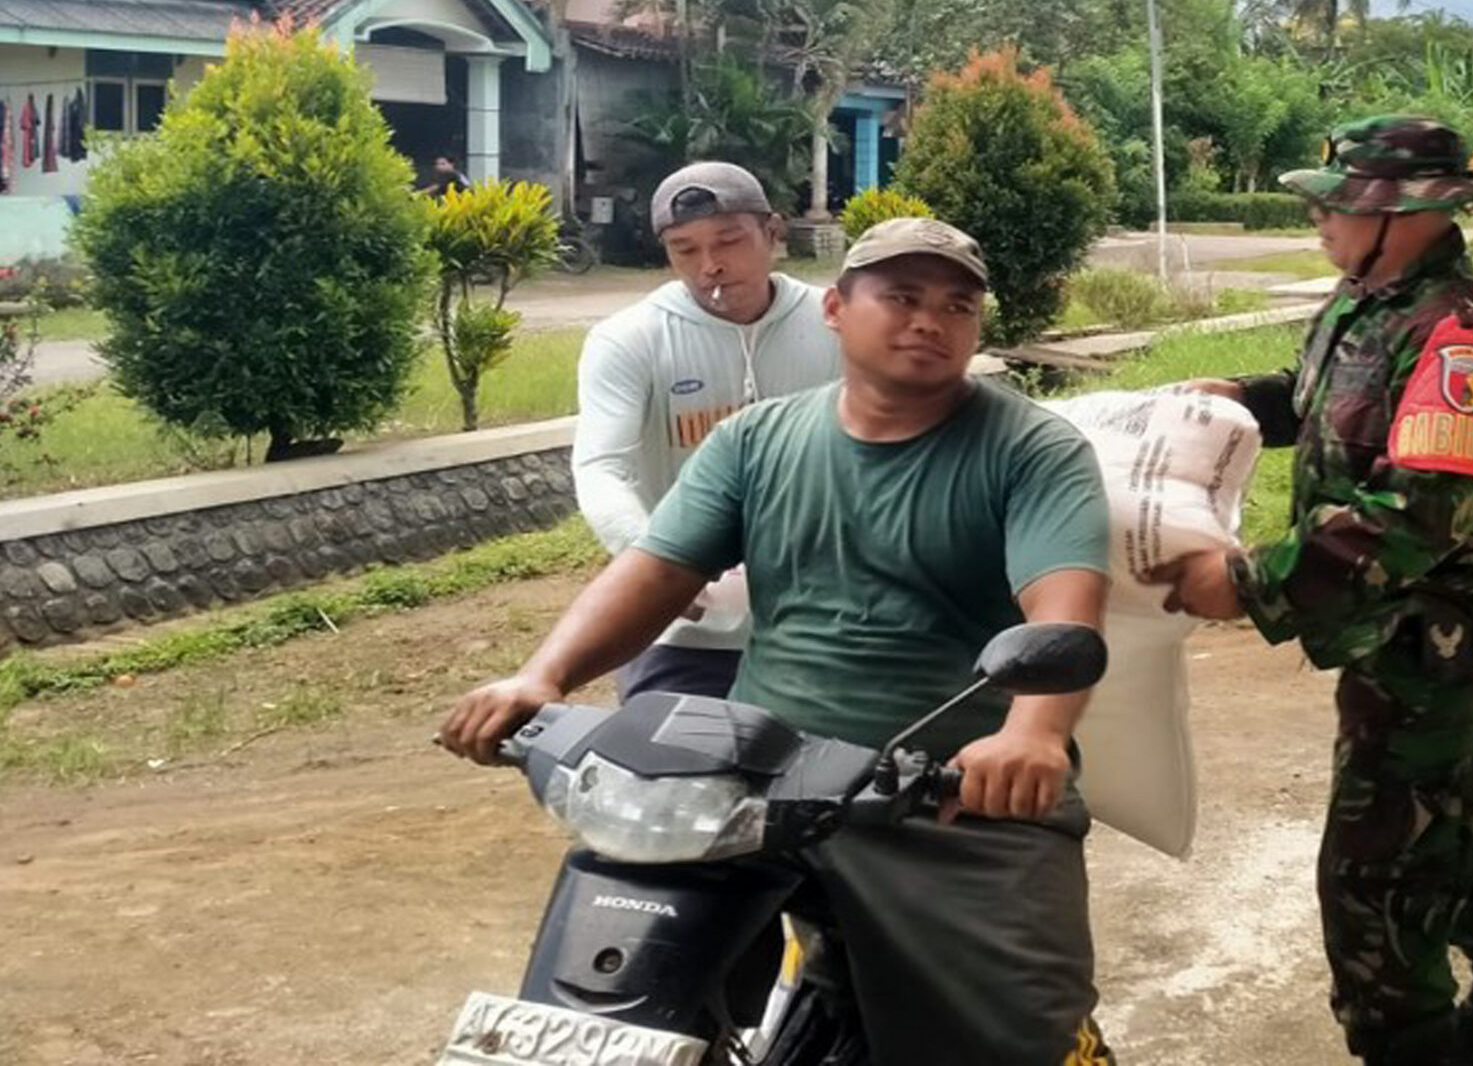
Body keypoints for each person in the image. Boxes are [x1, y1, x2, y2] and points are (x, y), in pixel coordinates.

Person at [440, 216, 1116, 1066]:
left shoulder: (1031, 449)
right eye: (901, 297)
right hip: (760, 796)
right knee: (619, 1006)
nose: (929, 321)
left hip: (950, 794)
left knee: (1025, 1033)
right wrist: (542, 679)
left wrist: (1031, 734)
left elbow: (1061, 607)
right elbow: (656, 572)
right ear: (835, 309)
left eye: (958, 306)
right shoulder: (756, 441)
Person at [1159, 116, 1473, 1066]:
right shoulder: (1370, 302)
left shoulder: (1457, 340)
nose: (1318, 215)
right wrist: (1241, 397)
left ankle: (1409, 1042)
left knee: (1373, 864)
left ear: (1407, 216)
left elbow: (1417, 512)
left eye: (1336, 203)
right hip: (1399, 621)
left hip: (1438, 623)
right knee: (1452, 804)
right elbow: (1322, 405)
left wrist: (1250, 582)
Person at [572, 161, 839, 698]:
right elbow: (602, 466)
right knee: (668, 773)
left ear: (773, 232)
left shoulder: (835, 321)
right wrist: (653, 560)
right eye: (684, 249)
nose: (710, 265)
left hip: (830, 621)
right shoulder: (629, 340)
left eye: (729, 241)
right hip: (688, 630)